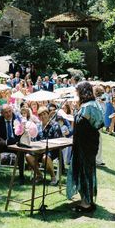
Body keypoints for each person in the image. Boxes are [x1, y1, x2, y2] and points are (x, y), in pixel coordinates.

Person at [66, 81, 104, 214]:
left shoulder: (89, 106)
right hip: (87, 144)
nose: (76, 94)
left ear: (82, 92)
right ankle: (88, 200)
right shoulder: (91, 105)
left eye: (77, 91)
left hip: (86, 145)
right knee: (87, 171)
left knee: (84, 172)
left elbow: (94, 123)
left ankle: (86, 204)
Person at [26, 106, 62, 185]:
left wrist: (47, 148)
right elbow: (34, 139)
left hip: (52, 150)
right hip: (39, 150)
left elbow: (58, 141)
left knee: (45, 157)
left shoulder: (55, 125)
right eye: (40, 115)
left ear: (48, 114)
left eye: (44, 114)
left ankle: (53, 177)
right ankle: (39, 175)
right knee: (28, 156)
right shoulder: (38, 126)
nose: (43, 116)